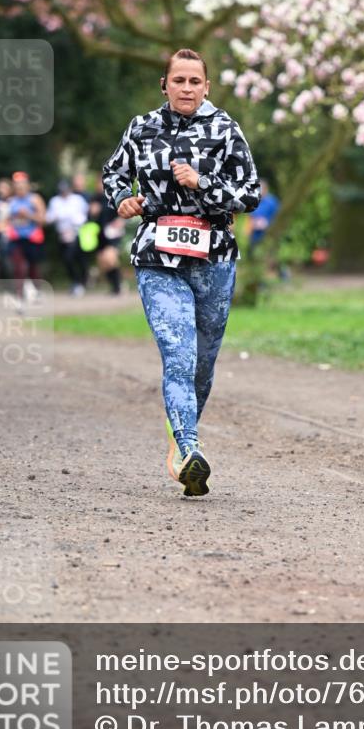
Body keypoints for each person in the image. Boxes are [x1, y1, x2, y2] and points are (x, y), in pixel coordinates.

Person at [102, 48, 261, 496]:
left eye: (195, 81)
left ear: (206, 87)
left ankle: (179, 441)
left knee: (202, 366)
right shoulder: (141, 128)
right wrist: (123, 199)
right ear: (165, 85)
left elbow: (250, 194)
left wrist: (202, 182)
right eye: (179, 80)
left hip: (215, 257)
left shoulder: (226, 129)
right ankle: (189, 448)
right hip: (158, 255)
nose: (186, 88)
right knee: (179, 355)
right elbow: (113, 174)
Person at [6, 171, 46, 308]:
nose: (20, 188)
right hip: (16, 238)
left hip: (32, 238)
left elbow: (43, 220)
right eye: (17, 186)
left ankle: (37, 290)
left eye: (22, 186)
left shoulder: (35, 199)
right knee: (19, 267)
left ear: (27, 186)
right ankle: (19, 296)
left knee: (33, 268)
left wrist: (28, 215)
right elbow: (4, 220)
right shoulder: (10, 202)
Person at [46, 179, 89, 295]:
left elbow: (85, 215)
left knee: (78, 258)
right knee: (66, 259)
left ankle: (81, 281)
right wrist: (57, 216)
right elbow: (49, 218)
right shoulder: (55, 201)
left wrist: (74, 220)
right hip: (62, 234)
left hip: (77, 233)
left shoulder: (77, 199)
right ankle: (76, 281)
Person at [88, 175, 125, 295]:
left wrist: (120, 220)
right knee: (103, 262)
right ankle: (114, 286)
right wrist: (92, 212)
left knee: (110, 258)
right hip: (100, 234)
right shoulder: (94, 198)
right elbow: (90, 217)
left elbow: (122, 212)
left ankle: (118, 286)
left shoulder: (113, 196)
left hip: (112, 233)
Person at [248, 178, 280, 247]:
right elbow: (251, 218)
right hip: (254, 237)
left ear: (266, 189)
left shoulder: (273, 202)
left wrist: (266, 223)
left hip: (268, 237)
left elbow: (278, 218)